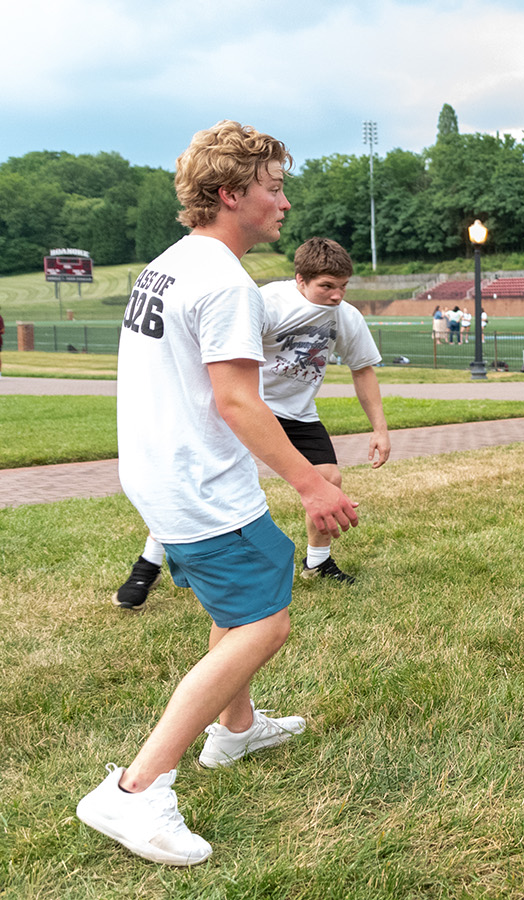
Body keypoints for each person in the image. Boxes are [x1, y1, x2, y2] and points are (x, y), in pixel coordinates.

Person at [77, 121, 359, 867]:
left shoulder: (170, 263)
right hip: (196, 482)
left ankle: (236, 730)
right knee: (265, 626)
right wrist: (311, 485)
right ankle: (135, 790)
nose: (285, 203)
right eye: (273, 188)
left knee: (239, 609)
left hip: (162, 471)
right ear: (232, 194)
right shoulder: (228, 283)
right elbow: (239, 402)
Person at [112, 237, 389, 606]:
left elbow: (363, 369)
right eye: (327, 286)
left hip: (298, 414)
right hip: (250, 406)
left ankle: (317, 562)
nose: (337, 295)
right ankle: (148, 563)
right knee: (194, 485)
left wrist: (380, 429)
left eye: (343, 287)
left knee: (329, 479)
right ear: (300, 280)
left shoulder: (345, 316)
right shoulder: (265, 302)